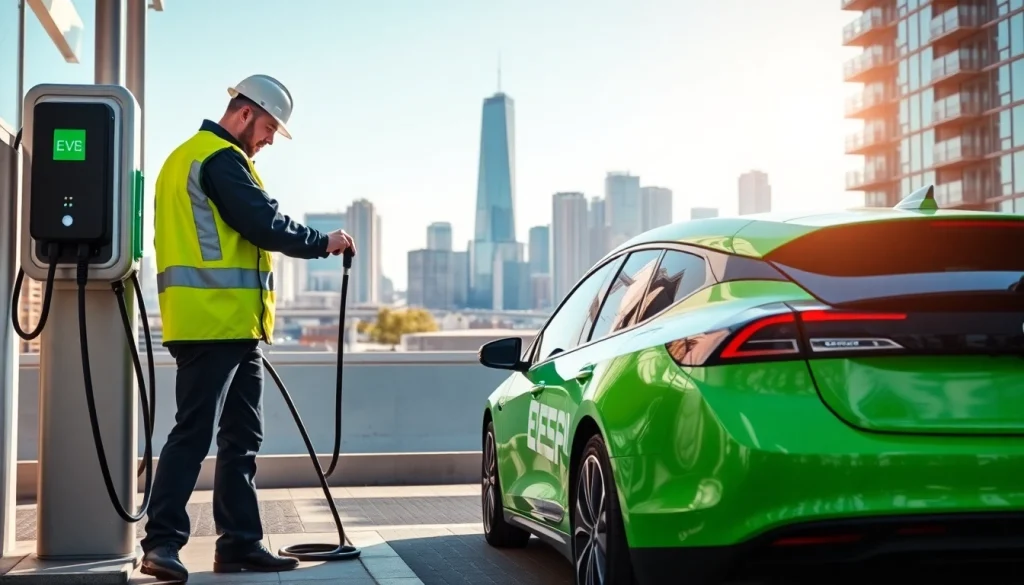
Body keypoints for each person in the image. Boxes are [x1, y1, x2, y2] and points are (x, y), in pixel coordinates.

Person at [141, 74, 355, 582]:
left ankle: (239, 543)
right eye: (267, 130)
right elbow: (261, 222)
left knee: (242, 436)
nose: (266, 142)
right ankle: (161, 543)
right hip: (212, 324)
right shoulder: (219, 158)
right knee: (194, 434)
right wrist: (322, 242)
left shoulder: (185, 158)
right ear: (244, 114)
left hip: (232, 327)